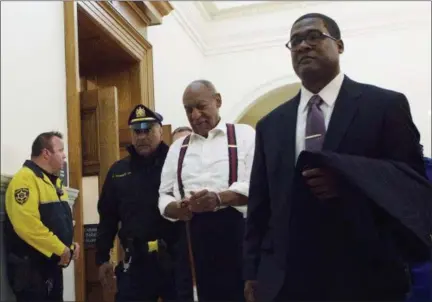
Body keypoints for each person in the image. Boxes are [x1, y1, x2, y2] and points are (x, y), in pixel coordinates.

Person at [244, 13, 430, 302]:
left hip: (366, 274)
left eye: (314, 36)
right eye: (295, 41)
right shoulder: (271, 124)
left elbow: (412, 186)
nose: (303, 45)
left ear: (339, 45)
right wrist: (252, 272)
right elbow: (260, 203)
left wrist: (349, 179)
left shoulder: (384, 106)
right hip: (287, 280)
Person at [158, 80, 255, 301]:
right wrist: (176, 209)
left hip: (236, 236)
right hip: (191, 238)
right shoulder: (177, 148)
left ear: (218, 101)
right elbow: (164, 194)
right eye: (188, 109)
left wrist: (219, 198)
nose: (194, 115)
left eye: (200, 106)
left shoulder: (243, 135)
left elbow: (257, 184)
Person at [95, 104, 178, 302]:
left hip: (175, 261)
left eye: (147, 130)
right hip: (136, 263)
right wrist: (102, 258)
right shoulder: (118, 171)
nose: (141, 137)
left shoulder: (176, 164)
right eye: (136, 131)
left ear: (160, 130)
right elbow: (107, 218)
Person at [5, 131, 79, 302]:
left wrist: (69, 245)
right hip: (31, 271)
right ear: (46, 153)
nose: (64, 155)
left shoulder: (53, 182)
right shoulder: (24, 180)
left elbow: (57, 221)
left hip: (50, 266)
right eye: (60, 150)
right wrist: (61, 249)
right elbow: (28, 226)